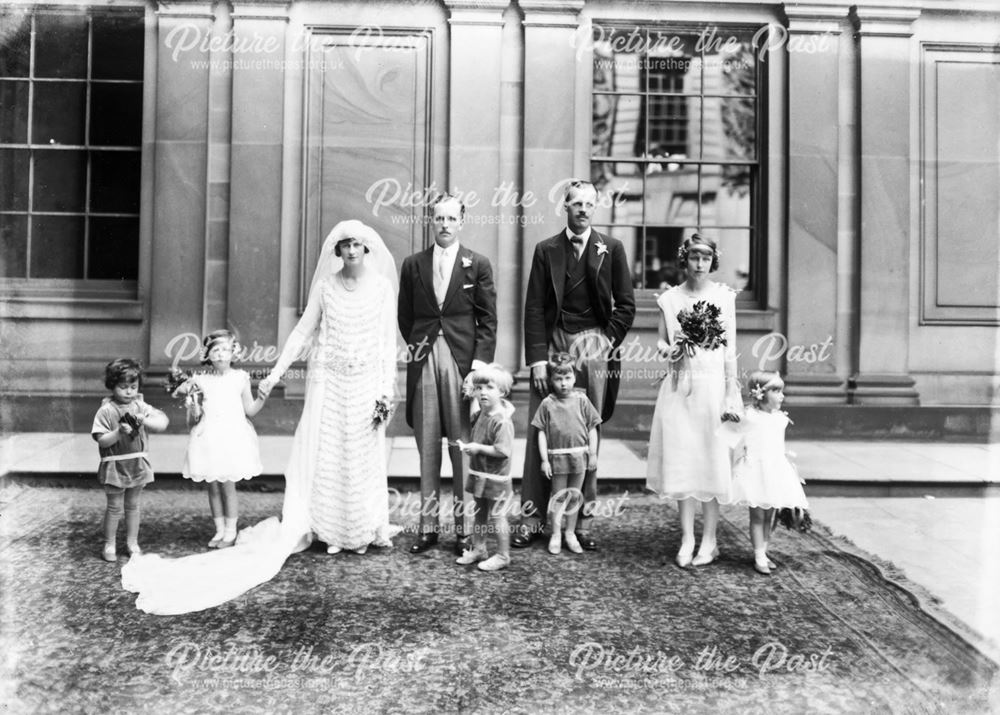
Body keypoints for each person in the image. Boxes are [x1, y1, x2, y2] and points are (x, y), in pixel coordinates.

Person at [121, 220, 399, 614]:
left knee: (361, 453)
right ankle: (333, 530)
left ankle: (363, 530)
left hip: (366, 383)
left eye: (357, 245)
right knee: (331, 452)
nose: (351, 251)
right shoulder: (326, 286)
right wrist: (274, 375)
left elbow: (387, 344)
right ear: (337, 251)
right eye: (345, 245)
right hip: (330, 384)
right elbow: (303, 334)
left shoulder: (382, 288)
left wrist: (385, 392)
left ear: (366, 249)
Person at [513, 179, 635, 551]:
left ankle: (580, 520)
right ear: (564, 206)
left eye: (589, 204)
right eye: (576, 203)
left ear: (595, 208)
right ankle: (533, 517)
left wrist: (604, 340)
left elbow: (626, 305)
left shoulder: (611, 249)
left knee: (586, 431)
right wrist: (536, 360)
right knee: (542, 429)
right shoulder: (546, 249)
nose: (583, 209)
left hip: (594, 345)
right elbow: (534, 307)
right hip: (554, 343)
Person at [398, 194, 498, 555]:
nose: (444, 224)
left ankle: (464, 531)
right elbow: (405, 316)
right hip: (425, 355)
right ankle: (427, 528)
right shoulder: (413, 264)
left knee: (462, 446)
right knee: (427, 446)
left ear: (461, 220)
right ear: (431, 220)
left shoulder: (478, 264)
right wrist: (420, 345)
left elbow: (487, 320)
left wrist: (477, 368)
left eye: (451, 218)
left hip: (462, 361)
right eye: (438, 218)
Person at [646, 234, 743, 568]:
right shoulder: (670, 300)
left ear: (712, 261)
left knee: (712, 460)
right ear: (684, 259)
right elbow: (660, 340)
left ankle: (710, 540)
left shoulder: (724, 297)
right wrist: (667, 349)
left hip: (713, 387)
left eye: (705, 259)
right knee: (683, 460)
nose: (699, 264)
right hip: (679, 386)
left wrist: (732, 393)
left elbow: (729, 350)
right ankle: (687, 537)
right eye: (693, 258)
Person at [171, 329, 266, 548]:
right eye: (215, 350)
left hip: (231, 435)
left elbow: (250, 410)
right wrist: (190, 398)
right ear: (207, 355)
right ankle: (219, 530)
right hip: (208, 435)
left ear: (234, 353)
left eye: (225, 350)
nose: (221, 354)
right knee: (212, 485)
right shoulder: (200, 379)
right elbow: (183, 398)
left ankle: (231, 531)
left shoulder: (240, 378)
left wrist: (261, 398)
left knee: (227, 484)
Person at [726, 371, 808, 575]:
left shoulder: (781, 418)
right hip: (755, 469)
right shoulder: (749, 416)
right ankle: (758, 555)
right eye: (776, 391)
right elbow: (728, 435)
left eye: (782, 391)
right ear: (761, 394)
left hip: (775, 469)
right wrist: (729, 418)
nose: (782, 396)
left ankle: (763, 551)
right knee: (757, 515)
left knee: (769, 515)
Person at [92, 359, 168, 562]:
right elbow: (102, 440)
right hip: (115, 463)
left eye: (133, 387)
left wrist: (146, 420)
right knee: (114, 507)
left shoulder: (140, 406)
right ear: (112, 385)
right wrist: (117, 432)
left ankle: (133, 543)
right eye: (123, 387)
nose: (128, 392)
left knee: (133, 505)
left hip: (137, 462)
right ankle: (109, 544)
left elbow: (162, 423)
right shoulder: (106, 410)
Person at [531, 353, 601, 555]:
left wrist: (593, 454)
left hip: (580, 456)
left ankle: (570, 533)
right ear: (551, 380)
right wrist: (545, 460)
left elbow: (592, 428)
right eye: (558, 379)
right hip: (558, 457)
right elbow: (541, 432)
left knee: (574, 496)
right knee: (559, 497)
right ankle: (555, 533)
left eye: (567, 378)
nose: (563, 384)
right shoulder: (547, 403)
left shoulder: (582, 400)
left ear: (574, 377)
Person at [454, 364, 516, 572]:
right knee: (480, 513)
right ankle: (479, 548)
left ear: (502, 392)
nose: (482, 393)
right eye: (479, 388)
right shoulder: (482, 413)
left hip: (496, 478)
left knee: (498, 516)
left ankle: (503, 555)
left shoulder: (502, 421)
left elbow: (503, 450)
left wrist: (478, 448)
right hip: (480, 474)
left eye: (489, 388)